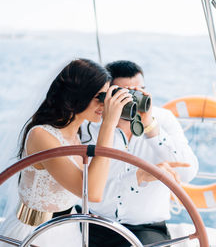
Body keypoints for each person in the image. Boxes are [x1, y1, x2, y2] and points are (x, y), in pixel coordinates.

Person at [0, 58, 133, 247]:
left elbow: (105, 170)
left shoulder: (77, 133)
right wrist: (108, 123)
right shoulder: (41, 136)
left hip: (66, 230)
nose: (104, 104)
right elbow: (92, 192)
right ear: (77, 96)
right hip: (34, 234)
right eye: (100, 97)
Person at [81, 60, 199, 246]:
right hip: (96, 222)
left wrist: (151, 128)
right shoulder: (90, 126)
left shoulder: (163, 119)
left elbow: (187, 172)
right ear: (108, 95)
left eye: (139, 91)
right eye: (126, 94)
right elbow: (86, 189)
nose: (134, 99)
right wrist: (139, 176)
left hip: (148, 227)